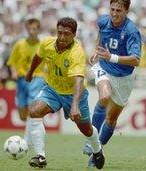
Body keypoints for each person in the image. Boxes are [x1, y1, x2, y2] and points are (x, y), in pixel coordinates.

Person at [25, 17, 105, 169]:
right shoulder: (47, 43)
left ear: (74, 35)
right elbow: (38, 56)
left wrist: (74, 106)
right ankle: (40, 156)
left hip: (74, 93)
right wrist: (30, 71)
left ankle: (97, 150)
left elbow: (78, 81)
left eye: (66, 34)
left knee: (86, 129)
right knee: (34, 111)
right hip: (52, 89)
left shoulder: (77, 52)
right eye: (60, 33)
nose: (62, 37)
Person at [83, 0, 142, 167]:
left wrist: (112, 57)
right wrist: (97, 51)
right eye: (112, 9)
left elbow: (136, 60)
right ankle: (91, 141)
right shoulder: (103, 21)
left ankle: (97, 152)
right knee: (104, 96)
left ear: (126, 11)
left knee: (111, 119)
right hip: (104, 68)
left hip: (124, 78)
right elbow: (101, 37)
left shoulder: (131, 31)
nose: (114, 14)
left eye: (119, 10)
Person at [6, 17, 45, 146]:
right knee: (23, 114)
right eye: (30, 28)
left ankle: (26, 142)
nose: (32, 31)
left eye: (34, 28)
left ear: (39, 30)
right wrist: (13, 72)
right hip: (22, 80)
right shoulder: (19, 44)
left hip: (37, 78)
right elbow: (11, 61)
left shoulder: (43, 45)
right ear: (26, 29)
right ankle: (30, 136)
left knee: (31, 109)